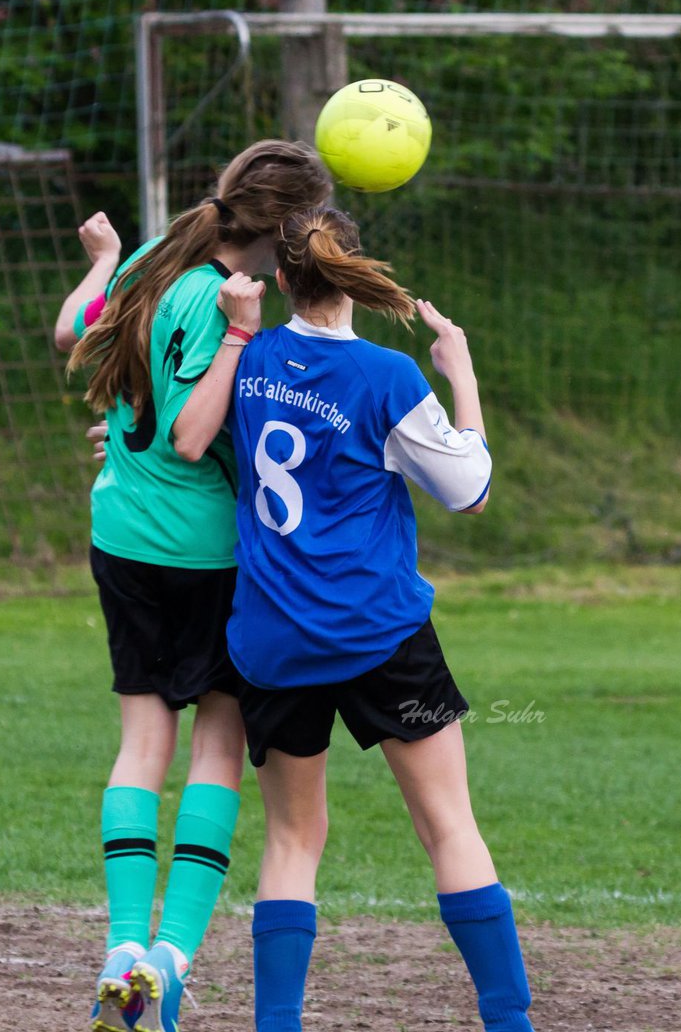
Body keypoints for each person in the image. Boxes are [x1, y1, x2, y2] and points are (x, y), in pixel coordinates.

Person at [179, 204, 534, 1032]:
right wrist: (461, 370)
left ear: (279, 279)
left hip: (272, 642)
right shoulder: (386, 378)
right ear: (349, 271)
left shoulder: (250, 356)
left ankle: (278, 1025)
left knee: (295, 842)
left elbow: (191, 435)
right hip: (379, 635)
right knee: (449, 826)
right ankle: (510, 1021)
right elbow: (470, 491)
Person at [53, 142, 332, 1032]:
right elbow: (192, 434)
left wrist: (103, 263)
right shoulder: (226, 303)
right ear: (288, 233)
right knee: (216, 750)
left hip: (121, 536)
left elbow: (70, 335)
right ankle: (168, 962)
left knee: (142, 743)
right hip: (205, 555)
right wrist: (242, 337)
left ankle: (120, 952)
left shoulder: (152, 256)